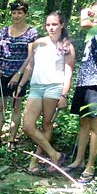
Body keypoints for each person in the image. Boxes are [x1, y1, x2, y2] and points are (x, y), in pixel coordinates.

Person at [65, 0, 97, 183]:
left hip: (96, 82)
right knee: (83, 122)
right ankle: (79, 160)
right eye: (93, 12)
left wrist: (87, 11)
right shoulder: (94, 30)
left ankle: (90, 166)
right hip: (84, 80)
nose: (93, 15)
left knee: (94, 123)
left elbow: (84, 22)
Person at [18, 11, 75, 173]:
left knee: (46, 124)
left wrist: (64, 95)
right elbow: (30, 66)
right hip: (36, 87)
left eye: (54, 24)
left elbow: (69, 72)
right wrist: (21, 85)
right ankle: (54, 154)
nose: (51, 28)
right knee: (28, 126)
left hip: (54, 88)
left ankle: (34, 161)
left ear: (62, 25)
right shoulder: (38, 43)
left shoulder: (67, 46)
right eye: (48, 24)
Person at [0, 0, 38, 150]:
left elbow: (31, 56)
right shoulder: (4, 31)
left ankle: (12, 139)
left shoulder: (31, 32)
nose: (16, 16)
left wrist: (19, 74)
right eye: (14, 13)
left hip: (19, 75)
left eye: (19, 13)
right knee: (0, 107)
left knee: (16, 107)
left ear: (25, 14)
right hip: (2, 74)